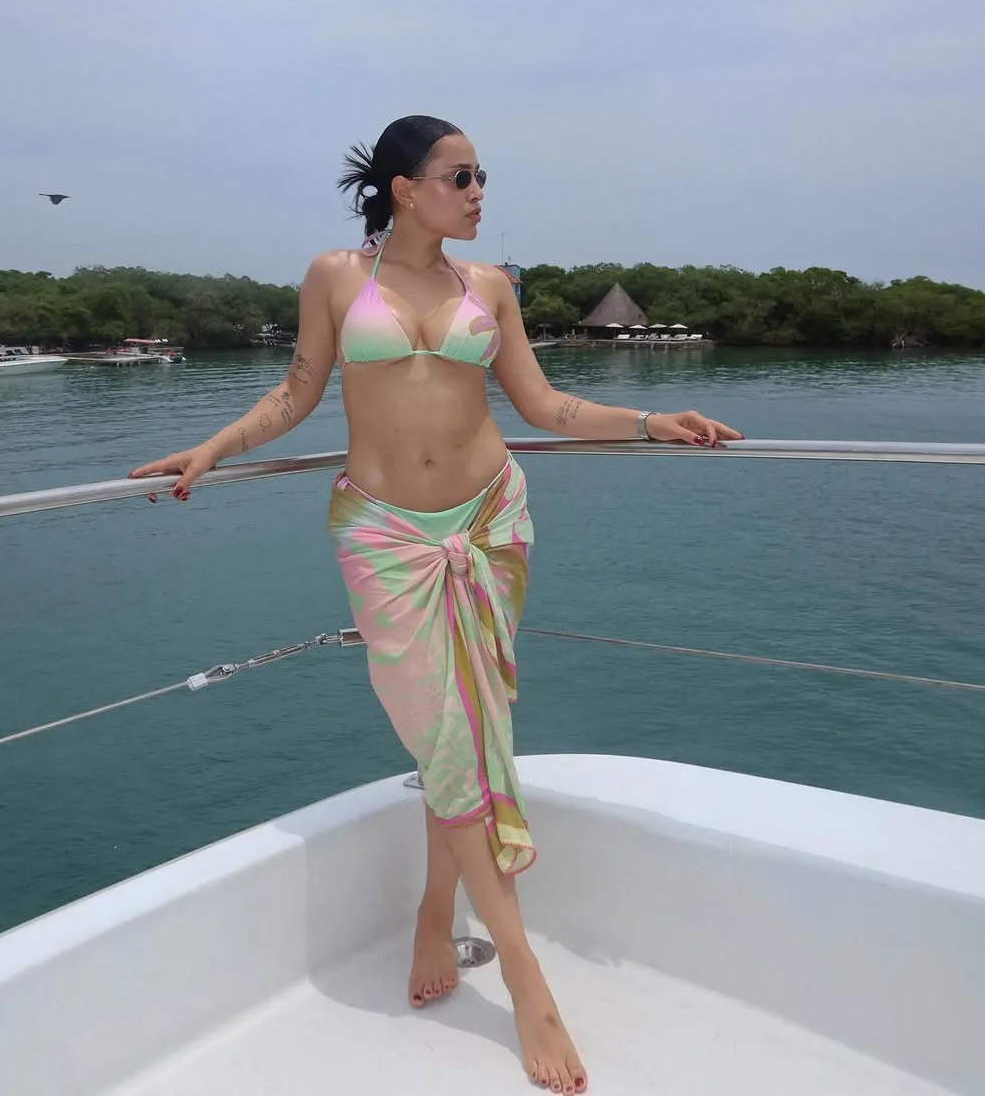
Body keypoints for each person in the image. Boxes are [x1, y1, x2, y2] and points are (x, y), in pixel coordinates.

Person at [130, 116, 741, 1093]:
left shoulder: (488, 286)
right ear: (405, 188)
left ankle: (433, 910)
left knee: (466, 730)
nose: (478, 191)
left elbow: (543, 405)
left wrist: (648, 420)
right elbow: (297, 391)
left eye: (482, 175)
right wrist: (214, 446)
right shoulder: (337, 276)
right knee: (445, 730)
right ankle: (526, 976)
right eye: (461, 176)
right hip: (386, 536)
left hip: (492, 520)